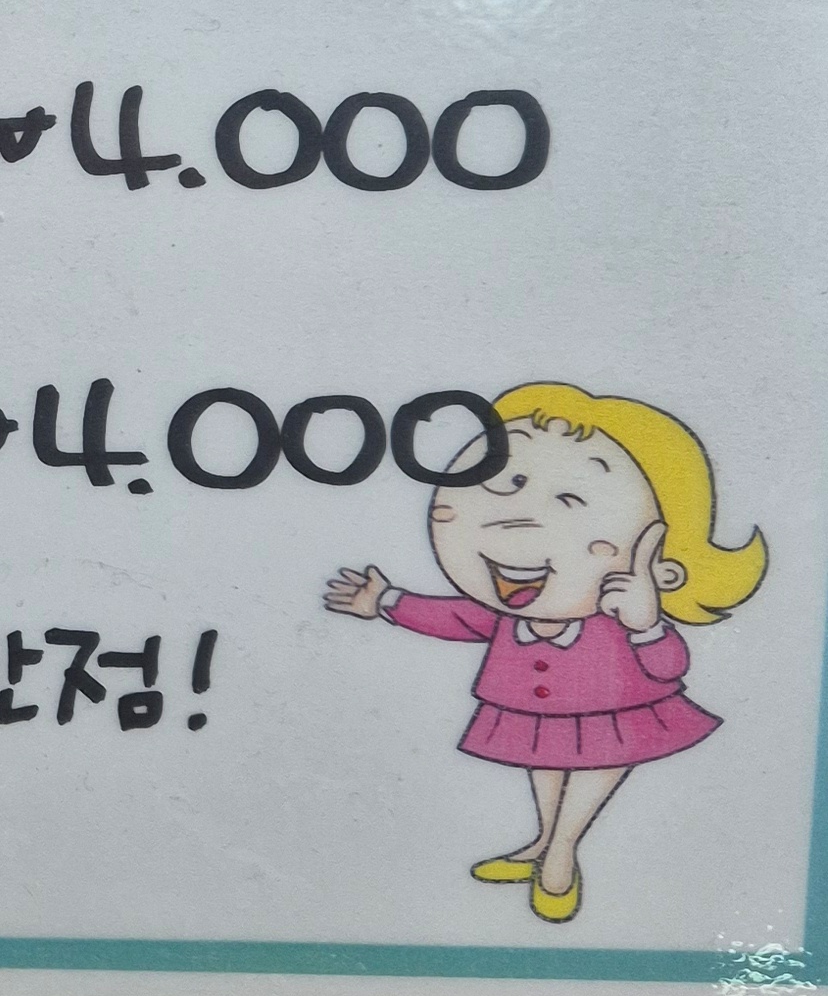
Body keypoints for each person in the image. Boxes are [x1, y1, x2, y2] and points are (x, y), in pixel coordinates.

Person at [325, 382, 765, 923]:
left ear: (664, 560)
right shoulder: (509, 615)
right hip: (531, 711)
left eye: (570, 500)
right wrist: (387, 601)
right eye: (504, 484)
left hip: (618, 714)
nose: (511, 520)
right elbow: (458, 617)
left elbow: (668, 667)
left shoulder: (619, 618)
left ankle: (560, 857)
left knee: (592, 773)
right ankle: (542, 842)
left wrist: (647, 624)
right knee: (547, 769)